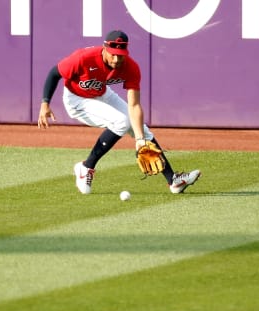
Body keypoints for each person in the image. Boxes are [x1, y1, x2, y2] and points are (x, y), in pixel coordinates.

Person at [38, 30, 200, 194]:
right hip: (76, 99)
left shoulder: (131, 67)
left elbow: (134, 105)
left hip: (102, 93)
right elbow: (54, 74)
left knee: (141, 129)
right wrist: (45, 103)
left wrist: (140, 140)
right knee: (122, 121)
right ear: (104, 49)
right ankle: (86, 167)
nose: (116, 59)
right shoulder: (83, 58)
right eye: (113, 54)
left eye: (120, 55)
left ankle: (173, 180)